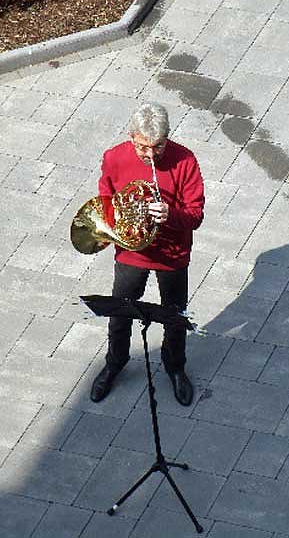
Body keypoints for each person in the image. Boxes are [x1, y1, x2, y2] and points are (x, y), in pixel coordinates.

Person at [89, 102, 205, 406]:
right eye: (143, 147)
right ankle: (115, 362)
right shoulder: (114, 157)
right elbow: (106, 198)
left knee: (175, 315)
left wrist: (170, 214)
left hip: (172, 254)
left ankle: (175, 367)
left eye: (158, 147)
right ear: (132, 137)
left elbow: (195, 215)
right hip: (132, 252)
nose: (151, 155)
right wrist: (118, 222)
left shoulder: (185, 160)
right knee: (119, 311)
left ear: (167, 137)